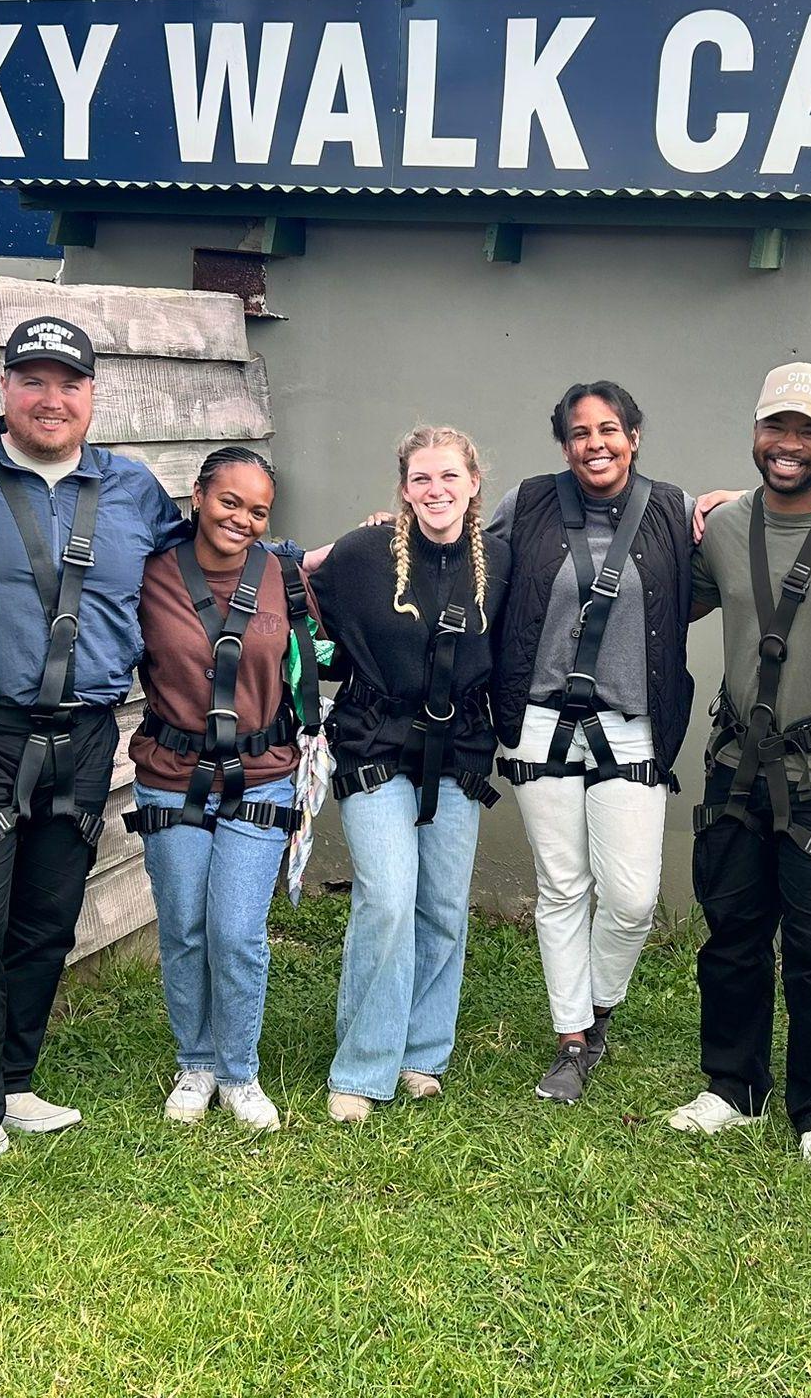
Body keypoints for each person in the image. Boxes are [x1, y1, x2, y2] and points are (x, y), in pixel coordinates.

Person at [0, 316, 182, 1181]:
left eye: (69, 382)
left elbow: (202, 570)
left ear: (93, 395)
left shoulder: (134, 492)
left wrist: (320, 557)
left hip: (84, 738)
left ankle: (14, 1083)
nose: (50, 398)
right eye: (32, 379)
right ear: (5, 390)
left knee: (46, 920)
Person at [669, 364, 811, 1177]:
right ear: (755, 432)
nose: (788, 445)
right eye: (776, 428)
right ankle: (731, 1087)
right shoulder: (724, 527)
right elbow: (658, 594)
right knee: (730, 937)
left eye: (807, 430)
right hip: (735, 766)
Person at [491, 383, 696, 1103]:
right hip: (541, 718)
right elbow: (471, 565)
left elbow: (704, 581)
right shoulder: (526, 503)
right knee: (562, 886)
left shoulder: (671, 509)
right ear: (564, 444)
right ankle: (571, 1038)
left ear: (633, 436)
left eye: (609, 429)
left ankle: (600, 1008)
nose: (594, 443)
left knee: (633, 898)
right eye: (579, 433)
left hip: (630, 720)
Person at [311, 425, 509, 1122]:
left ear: (472, 483)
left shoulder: (500, 561)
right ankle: (364, 1066)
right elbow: (297, 581)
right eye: (421, 479)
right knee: (388, 898)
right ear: (402, 489)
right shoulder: (364, 553)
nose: (436, 491)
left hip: (457, 751)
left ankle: (420, 1052)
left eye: (448, 477)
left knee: (443, 908)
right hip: (374, 742)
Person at [126, 446, 316, 1132]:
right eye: (229, 501)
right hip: (171, 775)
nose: (241, 518)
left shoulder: (285, 577)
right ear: (199, 495)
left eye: (258, 510)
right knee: (183, 926)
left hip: (262, 772)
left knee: (235, 932)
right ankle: (196, 1061)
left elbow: (318, 654)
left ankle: (238, 1071)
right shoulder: (149, 575)